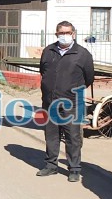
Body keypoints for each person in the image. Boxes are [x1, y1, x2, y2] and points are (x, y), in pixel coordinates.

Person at [36, 21, 94, 182]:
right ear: (56, 34)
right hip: (50, 103)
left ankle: (74, 169)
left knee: (73, 137)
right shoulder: (49, 51)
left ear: (73, 34)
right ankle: (51, 165)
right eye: (61, 33)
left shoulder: (82, 54)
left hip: (72, 104)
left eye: (68, 33)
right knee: (51, 136)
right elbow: (43, 71)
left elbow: (89, 77)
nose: (65, 36)